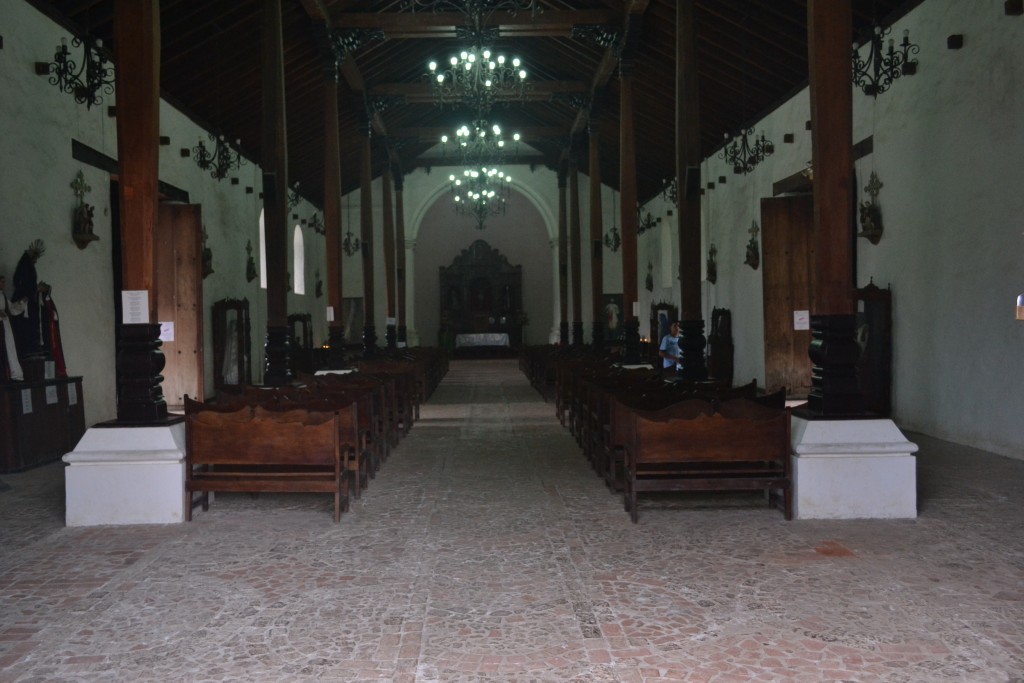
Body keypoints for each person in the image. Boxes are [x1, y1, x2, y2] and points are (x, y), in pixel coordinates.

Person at [0, 274, 26, 382]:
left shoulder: (3, 296)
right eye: (2, 282)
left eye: (4, 282)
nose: (4, 284)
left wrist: (21, 302)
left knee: (9, 349)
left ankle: (13, 374)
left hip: (5, 327)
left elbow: (11, 309)